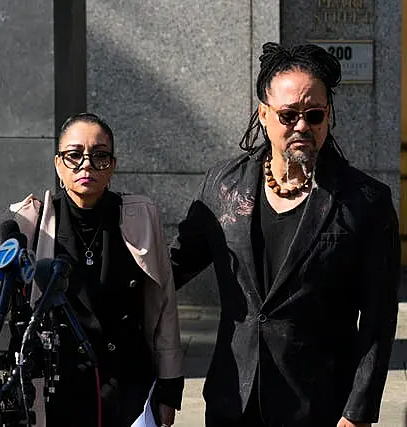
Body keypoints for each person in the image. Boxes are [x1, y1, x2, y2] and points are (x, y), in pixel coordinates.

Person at [170, 42, 400, 427]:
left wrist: (359, 409)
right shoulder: (223, 187)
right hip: (234, 400)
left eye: (314, 115)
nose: (301, 127)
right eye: (288, 115)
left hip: (319, 403)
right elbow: (173, 264)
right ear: (263, 114)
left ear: (328, 116)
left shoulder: (366, 202)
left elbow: (379, 317)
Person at [0, 113, 184, 427]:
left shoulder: (140, 216)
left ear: (113, 165)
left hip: (129, 384)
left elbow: (164, 306)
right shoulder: (31, 222)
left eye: (99, 156)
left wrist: (170, 386)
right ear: (58, 164)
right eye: (74, 155)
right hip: (61, 389)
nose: (86, 165)